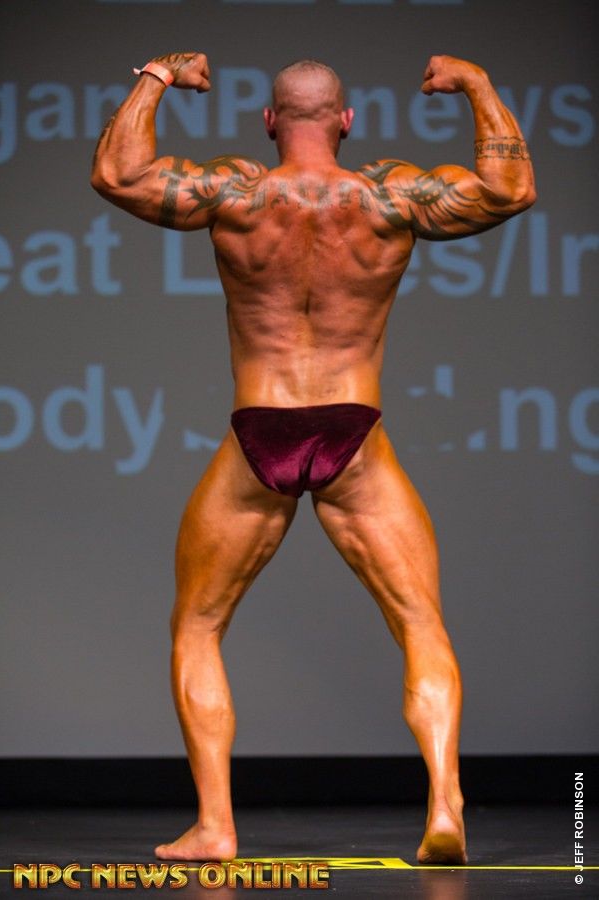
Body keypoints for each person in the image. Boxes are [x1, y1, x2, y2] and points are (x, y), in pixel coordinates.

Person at [91, 51, 535, 865]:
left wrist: (156, 77)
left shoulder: (236, 194)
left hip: (259, 426)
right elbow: (511, 190)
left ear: (269, 123)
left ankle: (216, 826)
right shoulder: (389, 196)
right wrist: (477, 84)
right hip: (353, 426)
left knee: (198, 625)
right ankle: (445, 800)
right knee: (419, 622)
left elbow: (117, 175)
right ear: (346, 121)